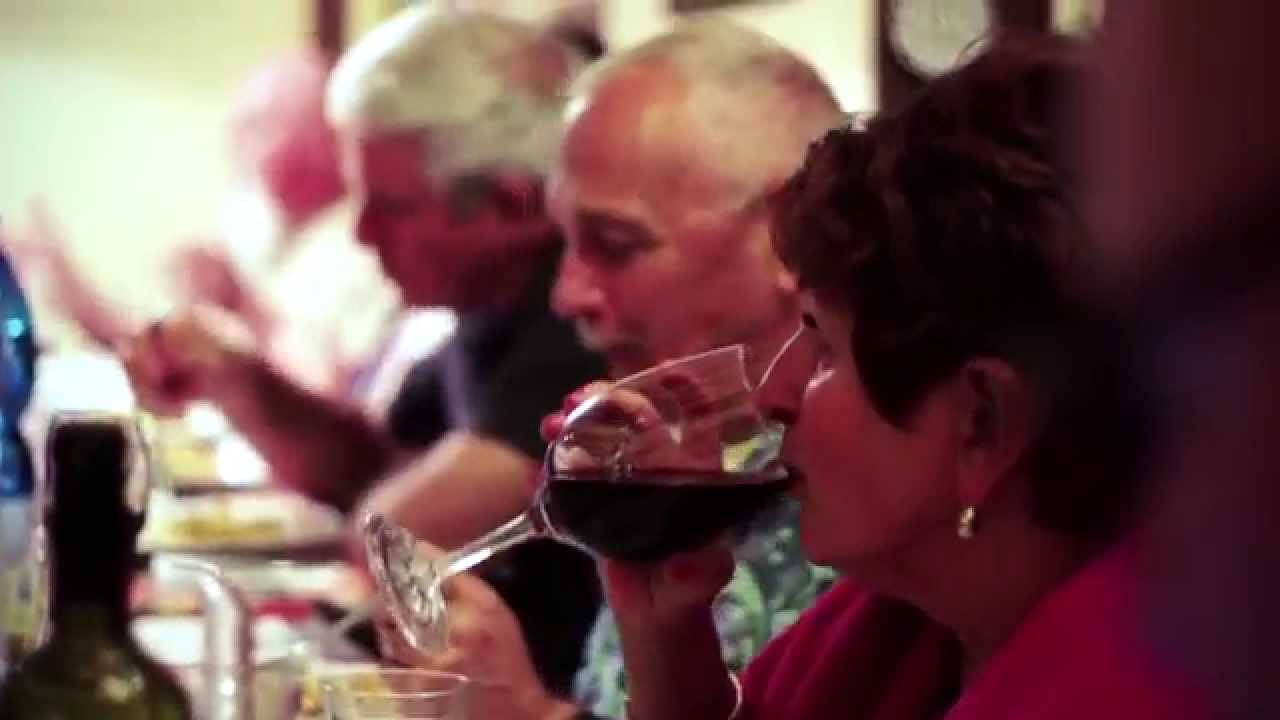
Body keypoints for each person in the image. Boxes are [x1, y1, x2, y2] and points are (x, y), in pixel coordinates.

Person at [591, 35, 1215, 720]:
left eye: (823, 347)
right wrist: (669, 657)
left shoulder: (1127, 688)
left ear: (982, 423)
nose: (772, 393)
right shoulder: (885, 631)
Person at [376, 18, 848, 720]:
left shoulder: (870, 514)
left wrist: (531, 715)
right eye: (566, 241)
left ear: (789, 232)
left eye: (615, 244)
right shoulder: (672, 468)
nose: (566, 296)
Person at [123, 9, 604, 696]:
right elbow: (369, 469)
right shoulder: (483, 307)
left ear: (512, 204)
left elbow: (397, 533)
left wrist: (380, 502)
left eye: (391, 206)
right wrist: (241, 381)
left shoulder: (576, 323)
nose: (361, 234)